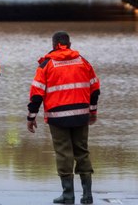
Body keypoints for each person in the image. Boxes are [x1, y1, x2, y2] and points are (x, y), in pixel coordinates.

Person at [26, 31, 100, 204]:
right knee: (82, 151)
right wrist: (93, 112)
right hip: (81, 115)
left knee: (63, 153)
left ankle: (68, 195)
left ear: (53, 45)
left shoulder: (46, 65)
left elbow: (36, 95)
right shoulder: (83, 61)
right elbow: (95, 89)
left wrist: (31, 117)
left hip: (57, 117)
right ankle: (87, 195)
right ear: (70, 43)